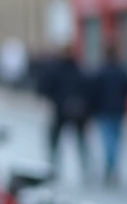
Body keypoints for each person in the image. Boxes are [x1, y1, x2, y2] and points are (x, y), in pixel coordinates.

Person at [38, 45, 93, 179]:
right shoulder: (80, 70)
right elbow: (89, 91)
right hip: (79, 112)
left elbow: (43, 89)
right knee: (81, 143)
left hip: (59, 111)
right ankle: (86, 170)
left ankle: (53, 169)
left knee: (55, 143)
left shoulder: (54, 70)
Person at [92, 44, 127, 184]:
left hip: (104, 109)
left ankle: (111, 164)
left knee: (108, 138)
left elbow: (95, 91)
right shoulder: (122, 70)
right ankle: (113, 164)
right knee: (116, 137)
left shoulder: (100, 71)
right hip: (119, 109)